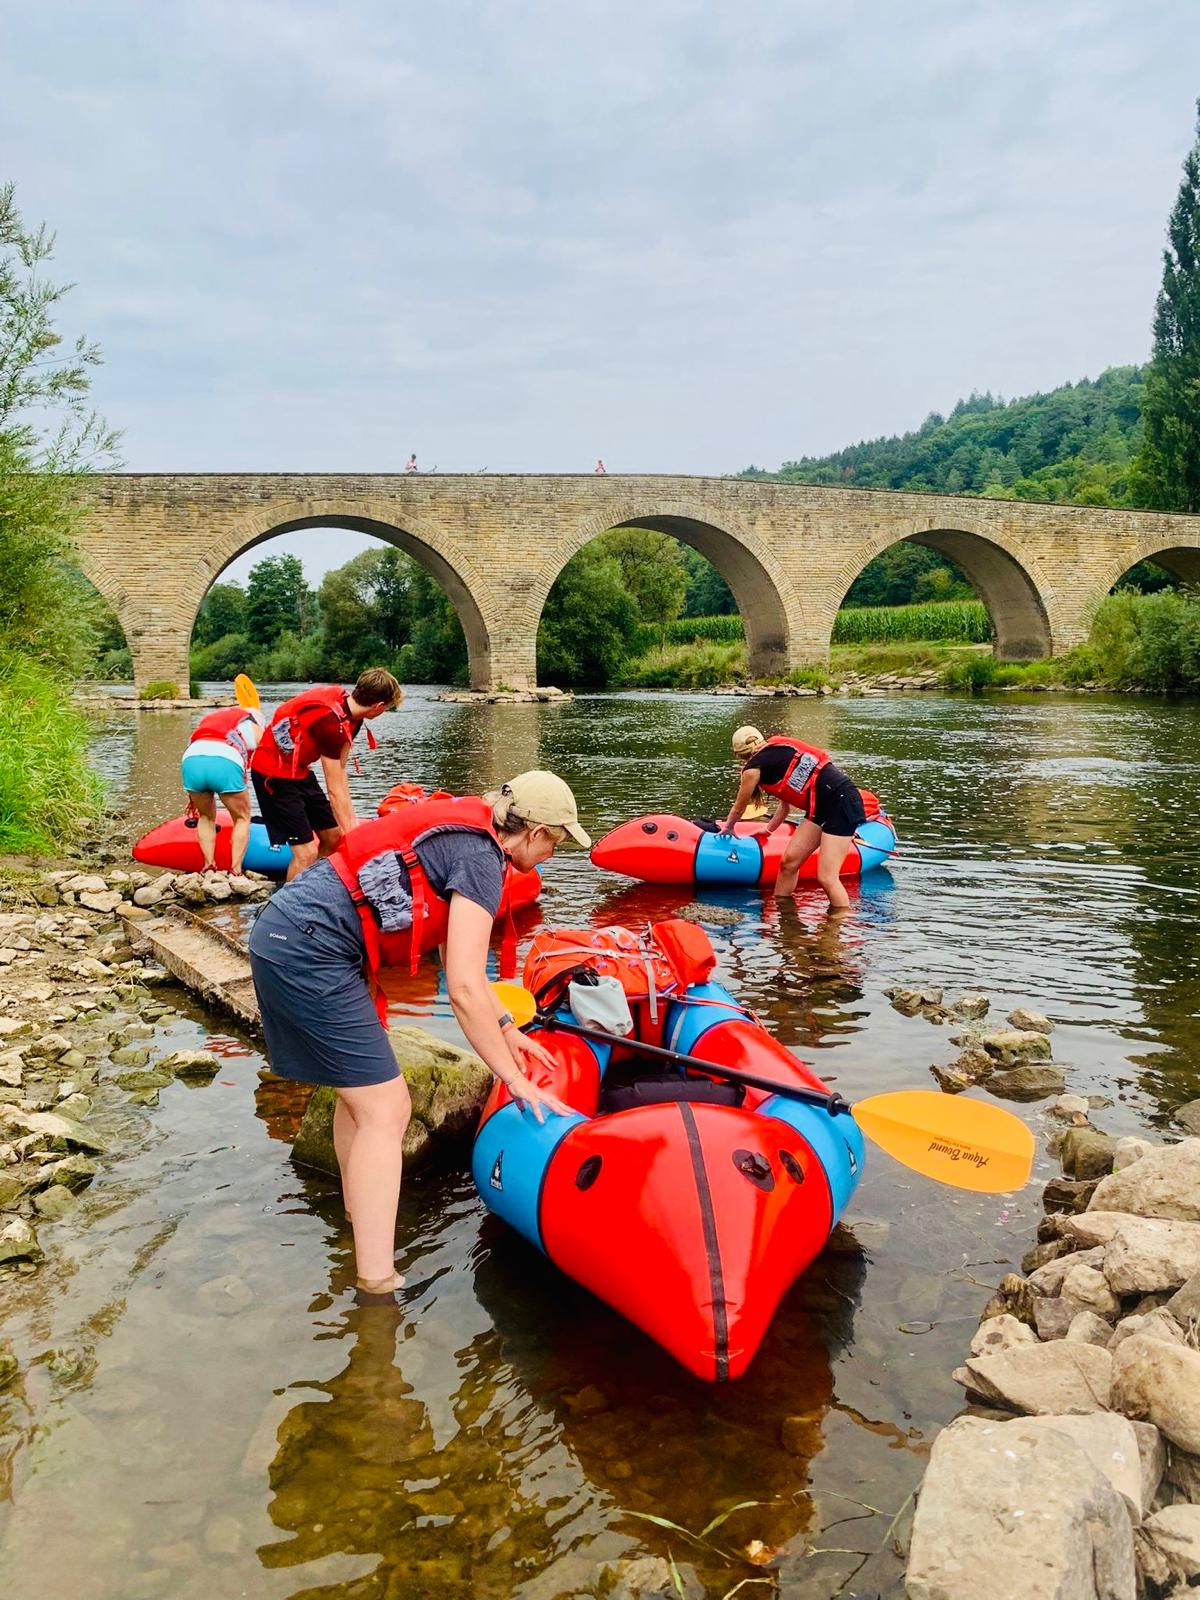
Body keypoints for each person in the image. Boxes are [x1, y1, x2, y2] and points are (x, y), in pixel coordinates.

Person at [248, 771, 591, 1293]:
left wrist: (506, 1028)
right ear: (537, 831)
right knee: (388, 1109)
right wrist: (512, 1079)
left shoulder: (471, 836)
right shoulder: (480, 859)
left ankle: (356, 1220)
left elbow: (452, 951)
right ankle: (376, 1283)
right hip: (311, 948)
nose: (552, 854)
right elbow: (463, 988)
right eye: (557, 843)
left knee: (358, 1099)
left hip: (289, 931)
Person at [250, 669, 402, 881]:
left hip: (299, 772)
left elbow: (341, 772)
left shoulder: (352, 717)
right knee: (306, 854)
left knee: (333, 838)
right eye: (387, 707)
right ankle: (290, 906)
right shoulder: (331, 726)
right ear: (378, 706)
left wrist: (351, 826)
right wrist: (355, 840)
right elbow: (334, 790)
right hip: (272, 775)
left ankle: (312, 886)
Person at [720, 725, 865, 909]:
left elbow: (739, 808)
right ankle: (785, 917)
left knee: (827, 877)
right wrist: (767, 830)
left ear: (739, 754)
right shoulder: (776, 752)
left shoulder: (752, 770)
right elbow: (784, 807)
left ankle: (838, 926)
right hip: (819, 807)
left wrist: (729, 827)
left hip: (841, 802)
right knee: (789, 863)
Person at [180, 703, 267, 874]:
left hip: (191, 758)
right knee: (242, 818)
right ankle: (236, 870)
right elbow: (268, 761)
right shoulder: (254, 726)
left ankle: (209, 866)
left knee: (205, 816)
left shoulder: (209, 720)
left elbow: (198, 748)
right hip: (225, 759)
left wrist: (192, 799)